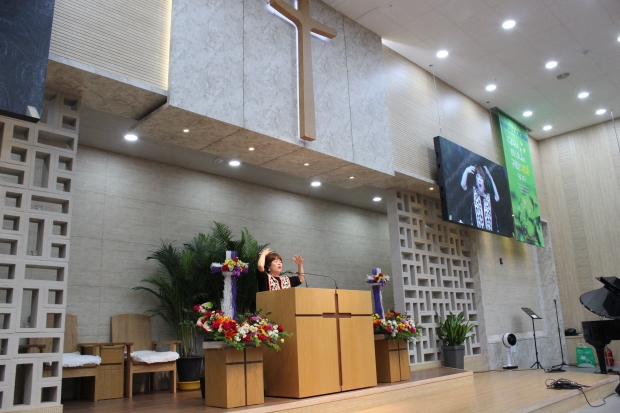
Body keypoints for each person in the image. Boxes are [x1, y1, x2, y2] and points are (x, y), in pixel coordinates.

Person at [460, 164, 500, 232]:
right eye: (477, 177)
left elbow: (497, 198)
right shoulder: (473, 192)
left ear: (484, 182)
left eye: (481, 178)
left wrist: (490, 177)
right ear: (476, 181)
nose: (479, 180)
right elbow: (463, 185)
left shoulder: (488, 197)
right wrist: (466, 171)